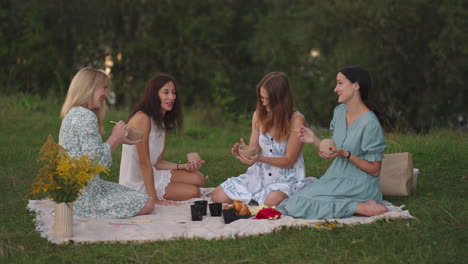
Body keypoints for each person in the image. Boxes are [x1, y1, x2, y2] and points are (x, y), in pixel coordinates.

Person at [277, 66, 389, 219]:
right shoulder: (339, 111)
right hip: (336, 176)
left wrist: (346, 154)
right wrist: (315, 140)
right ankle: (356, 207)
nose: (335, 89)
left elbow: (375, 170)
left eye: (340, 83)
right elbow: (335, 148)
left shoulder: (370, 124)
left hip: (360, 184)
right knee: (290, 203)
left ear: (356, 86)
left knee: (299, 204)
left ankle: (360, 206)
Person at [59, 67, 154, 218]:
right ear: (89, 87)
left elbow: (89, 158)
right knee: (147, 203)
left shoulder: (75, 113)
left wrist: (119, 140)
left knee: (134, 193)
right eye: (103, 88)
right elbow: (95, 163)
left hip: (77, 191)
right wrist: (114, 138)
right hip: (84, 198)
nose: (105, 94)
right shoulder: (85, 117)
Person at [212, 72, 309, 206]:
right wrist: (244, 153)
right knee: (218, 195)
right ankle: (257, 198)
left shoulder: (296, 120)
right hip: (259, 175)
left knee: (272, 200)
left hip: (285, 178)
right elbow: (255, 151)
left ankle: (258, 198)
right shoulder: (258, 115)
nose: (263, 103)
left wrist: (260, 159)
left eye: (267, 99)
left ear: (280, 99)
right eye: (261, 98)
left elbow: (289, 161)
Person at [119, 73, 205, 203]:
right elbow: (144, 163)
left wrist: (183, 166)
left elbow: (158, 163)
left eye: (173, 92)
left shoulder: (162, 122)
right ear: (155, 95)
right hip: (136, 182)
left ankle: (164, 188)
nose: (171, 97)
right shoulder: (142, 119)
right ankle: (153, 194)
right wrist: (154, 199)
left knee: (199, 178)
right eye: (166, 92)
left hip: (152, 173)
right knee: (194, 192)